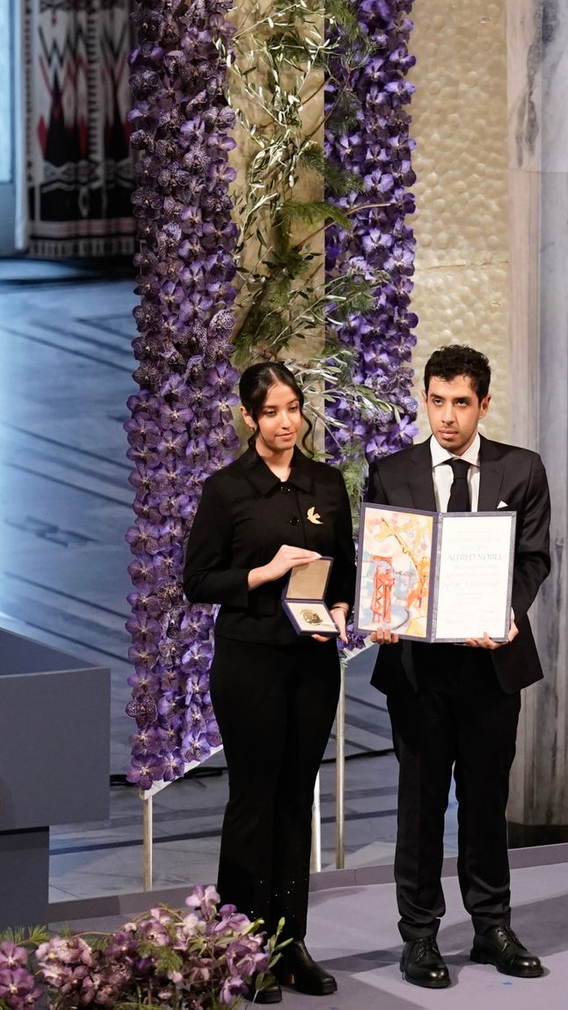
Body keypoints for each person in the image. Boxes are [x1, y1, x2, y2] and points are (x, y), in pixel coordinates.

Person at [365, 344, 551, 989]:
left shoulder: (520, 470)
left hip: (491, 666)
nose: (447, 417)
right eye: (437, 402)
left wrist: (508, 612)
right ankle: (419, 936)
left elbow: (533, 559)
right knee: (420, 806)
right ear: (425, 399)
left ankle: (492, 927)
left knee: (486, 801)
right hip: (418, 670)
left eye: (461, 403)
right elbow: (379, 562)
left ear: (484, 404)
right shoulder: (392, 473)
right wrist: (380, 610)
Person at [183, 361, 355, 1004]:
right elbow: (198, 581)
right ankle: (240, 946)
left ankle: (289, 944)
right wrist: (264, 571)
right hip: (250, 661)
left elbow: (345, 568)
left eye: (293, 409)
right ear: (249, 418)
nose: (287, 423)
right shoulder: (227, 490)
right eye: (273, 412)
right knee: (254, 801)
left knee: (295, 799)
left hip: (312, 662)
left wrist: (341, 610)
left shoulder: (326, 482)